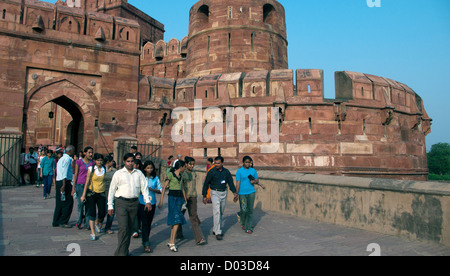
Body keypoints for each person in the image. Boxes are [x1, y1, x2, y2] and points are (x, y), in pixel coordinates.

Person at [108, 153, 152, 256]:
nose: (130, 163)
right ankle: (122, 254)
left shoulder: (139, 173)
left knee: (129, 229)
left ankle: (122, 252)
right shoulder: (118, 174)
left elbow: (144, 188)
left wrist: (147, 201)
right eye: (128, 161)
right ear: (124, 162)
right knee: (123, 228)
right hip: (121, 202)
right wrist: (110, 205)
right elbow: (112, 190)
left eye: (132, 161)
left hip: (134, 203)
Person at [202, 156, 238, 240]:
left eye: (218, 163)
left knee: (221, 211)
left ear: (222, 163)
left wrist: (234, 192)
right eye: (216, 163)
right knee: (217, 212)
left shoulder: (226, 172)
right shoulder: (211, 172)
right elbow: (206, 183)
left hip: (223, 192)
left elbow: (230, 183)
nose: (216, 165)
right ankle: (218, 232)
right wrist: (204, 195)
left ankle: (215, 228)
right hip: (214, 192)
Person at [158, 160, 187, 252]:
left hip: (179, 199)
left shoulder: (181, 176)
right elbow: (164, 188)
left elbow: (182, 187)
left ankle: (171, 240)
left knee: (176, 220)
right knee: (176, 219)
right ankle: (172, 242)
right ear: (181, 167)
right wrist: (161, 201)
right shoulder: (170, 175)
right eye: (184, 167)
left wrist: (185, 198)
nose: (184, 168)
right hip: (172, 199)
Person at [235, 156, 265, 234]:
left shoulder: (253, 170)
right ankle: (242, 221)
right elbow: (238, 183)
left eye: (249, 162)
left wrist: (254, 181)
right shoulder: (239, 171)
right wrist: (236, 194)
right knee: (244, 210)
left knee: (250, 210)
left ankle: (248, 227)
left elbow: (257, 179)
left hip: (251, 192)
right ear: (243, 162)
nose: (248, 164)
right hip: (242, 193)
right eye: (246, 162)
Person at [81, 153, 107, 241]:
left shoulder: (104, 169)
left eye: (101, 160)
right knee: (92, 213)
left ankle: (97, 222)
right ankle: (93, 232)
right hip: (92, 193)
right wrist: (83, 195)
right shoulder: (91, 169)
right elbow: (87, 181)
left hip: (101, 193)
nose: (99, 162)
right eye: (98, 160)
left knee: (102, 212)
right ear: (95, 161)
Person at [181, 157, 206, 245]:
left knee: (193, 217)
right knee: (180, 216)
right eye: (190, 164)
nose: (191, 166)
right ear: (186, 164)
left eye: (193, 164)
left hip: (193, 197)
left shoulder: (194, 173)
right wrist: (185, 195)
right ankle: (178, 233)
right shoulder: (183, 173)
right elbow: (181, 186)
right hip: (184, 198)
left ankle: (199, 238)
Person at [139, 160, 162, 253]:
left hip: (152, 203)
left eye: (151, 168)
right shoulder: (141, 178)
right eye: (148, 168)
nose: (149, 170)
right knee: (144, 222)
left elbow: (160, 190)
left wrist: (152, 189)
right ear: (144, 168)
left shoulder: (155, 178)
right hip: (142, 202)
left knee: (148, 223)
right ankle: (146, 243)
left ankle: (145, 238)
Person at [52, 145, 75, 228]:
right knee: (68, 202)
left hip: (60, 181)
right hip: (64, 182)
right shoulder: (67, 159)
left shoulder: (61, 159)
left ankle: (56, 221)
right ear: (71, 151)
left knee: (59, 202)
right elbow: (64, 173)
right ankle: (63, 221)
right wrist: (64, 185)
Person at [72, 146, 94, 229]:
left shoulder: (92, 163)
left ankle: (87, 223)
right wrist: (73, 187)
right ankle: (79, 220)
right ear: (84, 153)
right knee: (80, 204)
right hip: (80, 184)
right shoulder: (79, 162)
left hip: (89, 186)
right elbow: (76, 174)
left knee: (88, 205)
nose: (91, 154)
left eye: (91, 152)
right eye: (89, 152)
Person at [102, 155, 117, 234]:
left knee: (111, 210)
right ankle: (99, 222)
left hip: (111, 192)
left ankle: (108, 227)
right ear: (109, 162)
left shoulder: (114, 171)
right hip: (101, 191)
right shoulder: (101, 169)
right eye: (112, 161)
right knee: (102, 210)